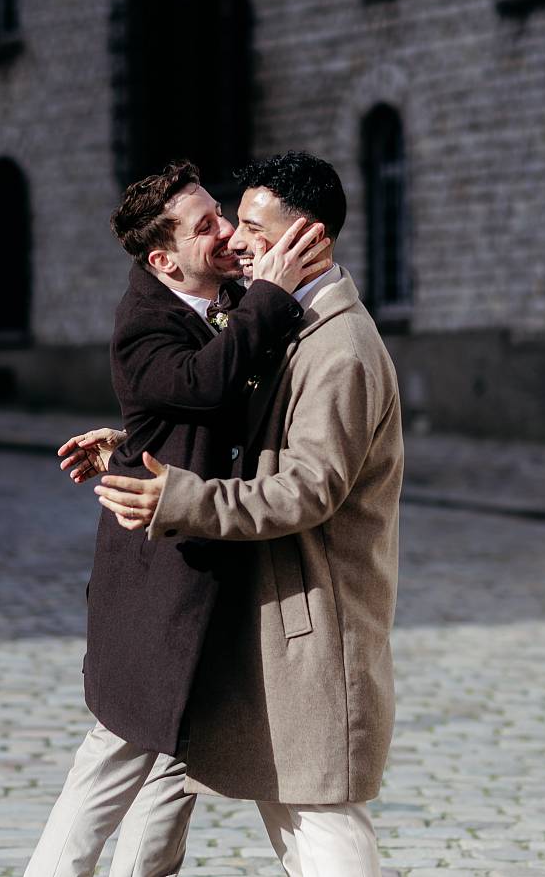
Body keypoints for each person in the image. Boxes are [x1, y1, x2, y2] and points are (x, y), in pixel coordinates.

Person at [94, 151, 404, 876]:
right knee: (283, 814)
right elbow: (237, 426)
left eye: (256, 230)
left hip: (313, 624)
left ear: (312, 240)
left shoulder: (341, 349)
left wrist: (180, 498)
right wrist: (129, 441)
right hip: (271, 619)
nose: (237, 241)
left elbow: (307, 488)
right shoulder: (288, 320)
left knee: (322, 821)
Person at [25, 159, 331, 877]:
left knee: (176, 768)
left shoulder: (223, 297)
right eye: (206, 227)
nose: (225, 231)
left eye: (221, 214)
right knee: (114, 756)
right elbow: (205, 383)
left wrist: (128, 442)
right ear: (163, 260)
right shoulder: (143, 324)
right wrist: (272, 294)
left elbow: (218, 409)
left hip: (216, 567)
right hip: (160, 585)